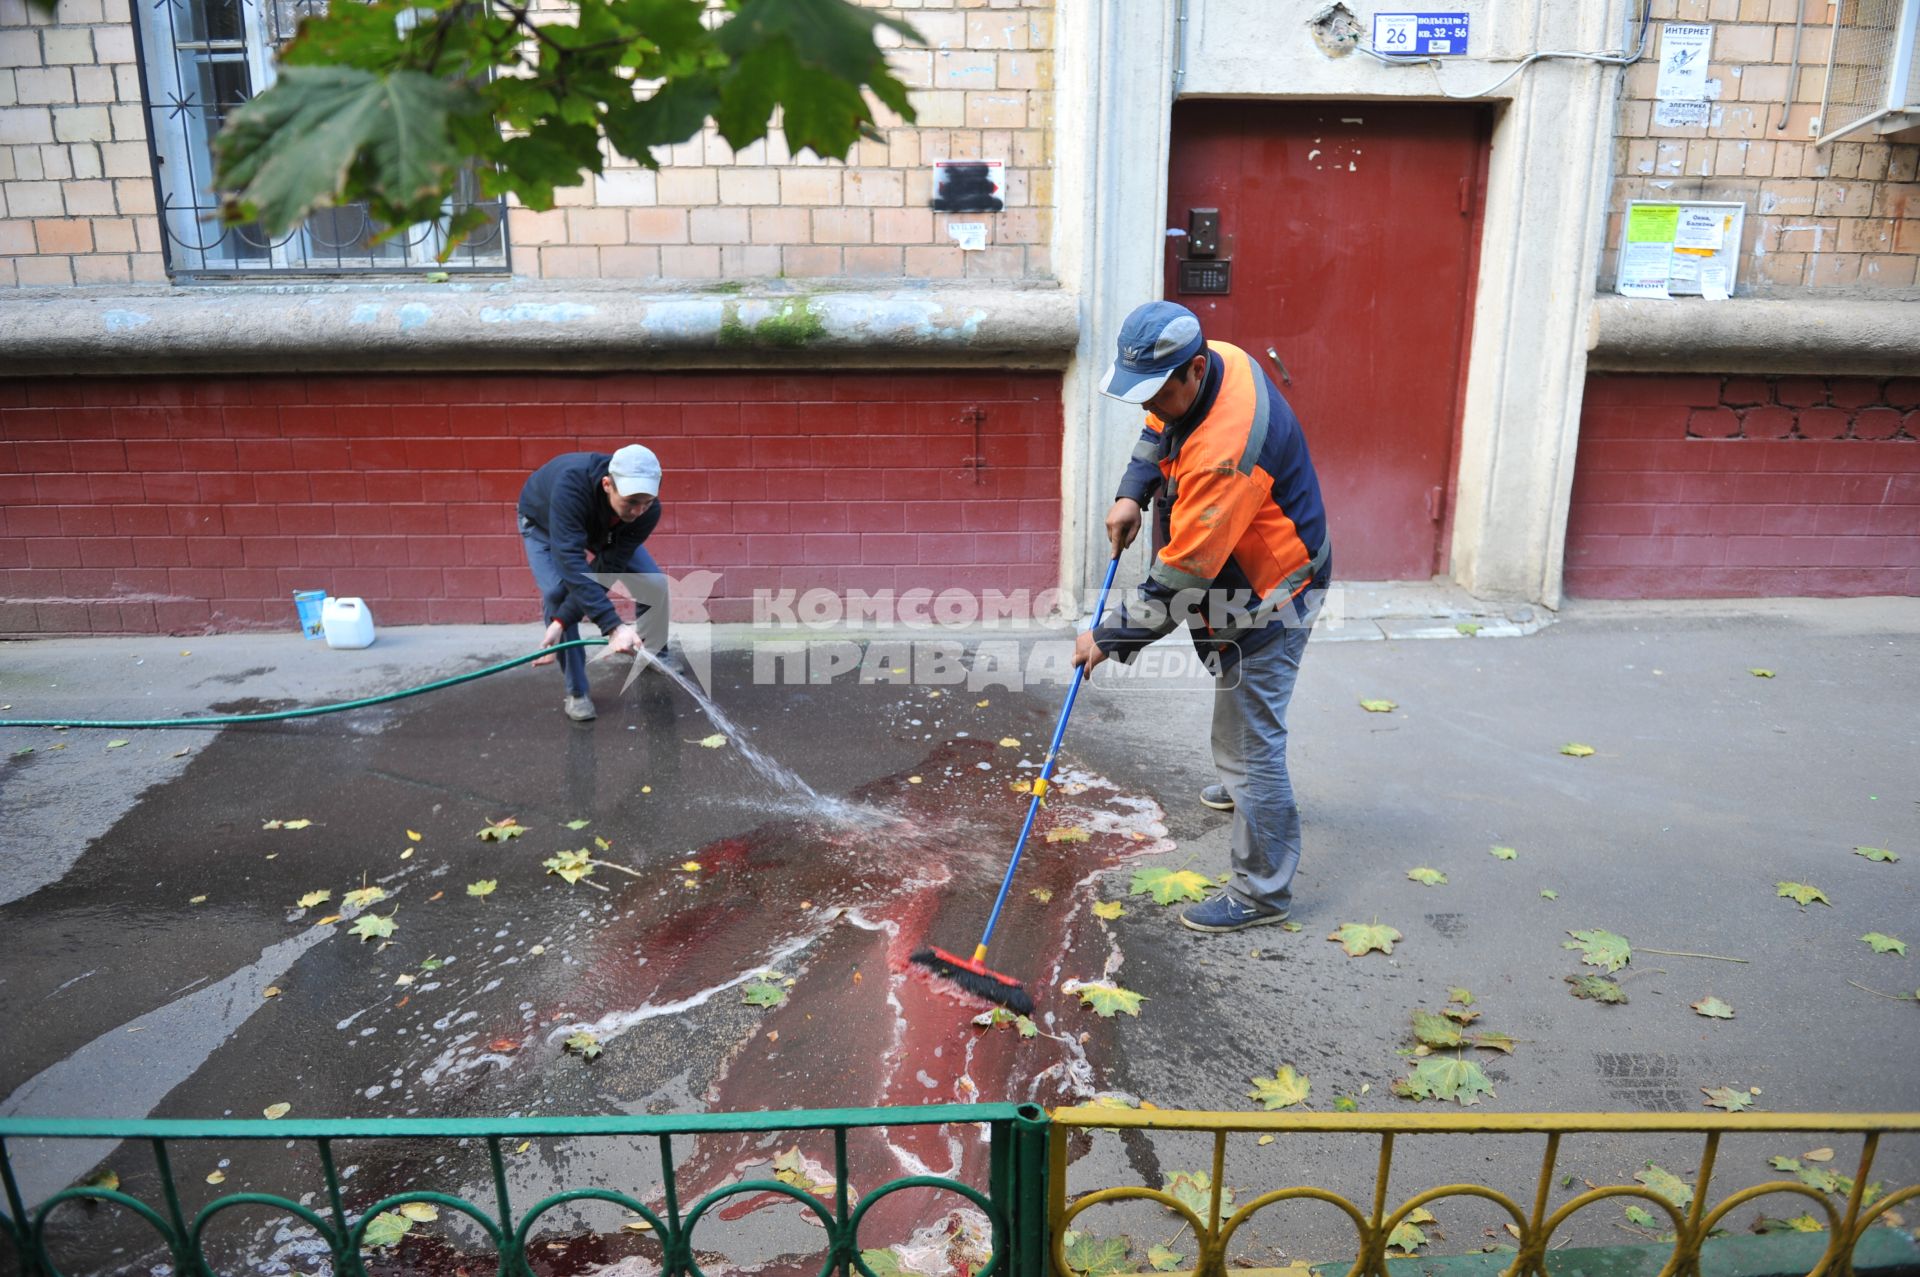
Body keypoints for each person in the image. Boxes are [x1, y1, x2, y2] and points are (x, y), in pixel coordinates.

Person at [1072, 301, 1332, 933]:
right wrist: (1133, 490)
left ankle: (1262, 893)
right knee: (1246, 724)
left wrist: (1105, 637)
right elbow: (1162, 428)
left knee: (1249, 740)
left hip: (1271, 593)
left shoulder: (1224, 455)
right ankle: (1248, 788)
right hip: (1246, 574)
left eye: (1156, 392)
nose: (1147, 406)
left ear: (1192, 370)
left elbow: (1181, 580)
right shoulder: (1219, 360)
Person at [517, 444, 671, 722]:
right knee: (556, 593)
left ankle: (652, 652)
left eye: (646, 502)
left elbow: (607, 567)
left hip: (607, 527)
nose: (639, 511)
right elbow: (572, 564)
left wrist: (560, 621)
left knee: (654, 584)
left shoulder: (647, 510)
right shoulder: (571, 487)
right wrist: (611, 626)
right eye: (632, 502)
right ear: (607, 484)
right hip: (544, 523)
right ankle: (577, 691)